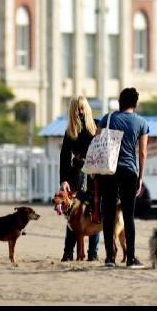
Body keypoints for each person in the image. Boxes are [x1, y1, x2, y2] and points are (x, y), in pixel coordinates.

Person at [98, 87, 149, 269]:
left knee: (109, 214)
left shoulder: (108, 118)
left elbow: (98, 140)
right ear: (135, 103)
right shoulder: (141, 123)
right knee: (128, 216)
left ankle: (110, 258)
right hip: (129, 171)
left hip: (109, 171)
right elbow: (142, 152)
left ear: (120, 101)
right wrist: (140, 176)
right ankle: (131, 258)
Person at [59, 96, 101, 262]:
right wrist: (64, 180)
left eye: (82, 108)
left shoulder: (97, 126)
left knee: (94, 214)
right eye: (77, 109)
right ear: (72, 111)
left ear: (87, 108)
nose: (80, 112)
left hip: (94, 175)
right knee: (73, 215)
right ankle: (68, 252)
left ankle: (93, 253)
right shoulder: (70, 131)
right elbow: (64, 156)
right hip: (76, 175)